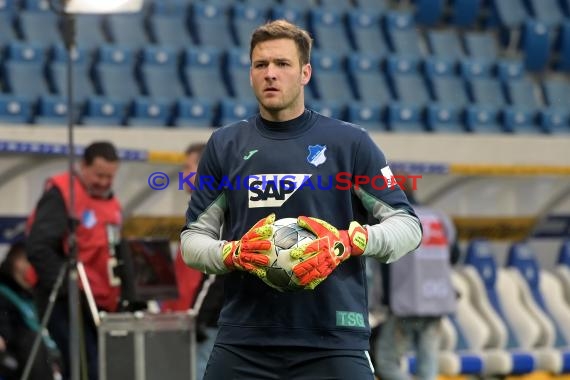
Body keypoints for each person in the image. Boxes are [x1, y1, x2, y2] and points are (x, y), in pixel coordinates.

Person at [180, 20, 423, 379]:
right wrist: (231, 253)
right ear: (250, 74)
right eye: (261, 65)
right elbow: (191, 241)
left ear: (305, 72)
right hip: (245, 341)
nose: (270, 74)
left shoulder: (349, 143)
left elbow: (408, 227)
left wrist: (349, 241)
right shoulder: (225, 145)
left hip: (333, 339)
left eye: (282, 64)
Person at [26, 141, 122, 380]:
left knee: (101, 365)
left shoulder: (111, 202)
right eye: (99, 175)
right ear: (83, 167)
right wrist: (68, 289)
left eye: (109, 177)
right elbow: (39, 246)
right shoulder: (62, 194)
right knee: (83, 366)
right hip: (68, 299)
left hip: (100, 300)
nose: (104, 182)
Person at [374, 173, 458, 380]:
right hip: (436, 301)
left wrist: (383, 301)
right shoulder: (439, 218)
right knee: (428, 366)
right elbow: (454, 256)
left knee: (385, 363)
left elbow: (385, 264)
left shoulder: (394, 220)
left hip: (405, 302)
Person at [161, 142, 224, 380]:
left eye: (189, 167)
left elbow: (216, 272)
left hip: (210, 320)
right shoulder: (199, 209)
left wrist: (198, 315)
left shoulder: (216, 210)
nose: (183, 175)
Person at [0, 242, 60, 380]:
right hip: (16, 358)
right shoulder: (4, 293)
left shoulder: (37, 295)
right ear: (11, 261)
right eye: (22, 259)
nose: (27, 267)